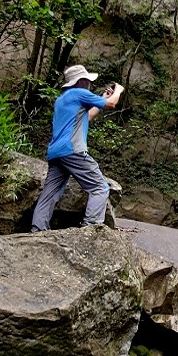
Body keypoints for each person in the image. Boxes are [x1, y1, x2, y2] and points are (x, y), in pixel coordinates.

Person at [31, 64, 125, 232]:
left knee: (49, 195)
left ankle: (37, 229)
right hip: (72, 150)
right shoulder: (79, 93)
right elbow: (111, 104)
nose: (89, 84)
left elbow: (86, 118)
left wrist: (101, 97)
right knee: (99, 187)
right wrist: (118, 90)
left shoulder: (62, 100)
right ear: (81, 81)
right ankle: (90, 228)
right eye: (87, 81)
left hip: (55, 153)